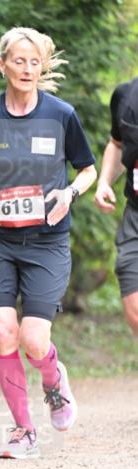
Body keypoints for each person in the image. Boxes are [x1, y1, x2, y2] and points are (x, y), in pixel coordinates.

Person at [0, 27, 96, 460]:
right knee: (2, 331)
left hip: (47, 241)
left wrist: (69, 193)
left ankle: (53, 380)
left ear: (44, 67)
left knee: (34, 340)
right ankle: (23, 429)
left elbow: (86, 170)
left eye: (35, 62)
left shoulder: (61, 114)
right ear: (2, 65)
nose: (27, 69)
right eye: (18, 61)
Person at [94, 77, 138, 336]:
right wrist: (104, 182)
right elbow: (117, 144)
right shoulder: (125, 94)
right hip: (135, 217)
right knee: (134, 308)